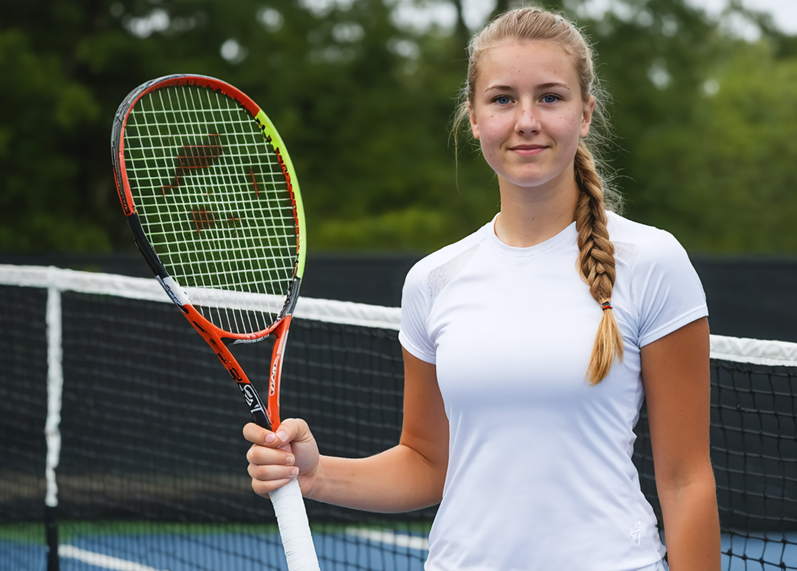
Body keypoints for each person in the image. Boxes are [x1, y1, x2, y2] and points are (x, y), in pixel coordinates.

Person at [245, 7, 720, 570]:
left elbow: (686, 479)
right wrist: (317, 474)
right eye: (502, 99)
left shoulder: (652, 262)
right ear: (473, 117)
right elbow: (427, 462)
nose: (526, 120)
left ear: (585, 112)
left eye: (550, 97)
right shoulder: (433, 281)